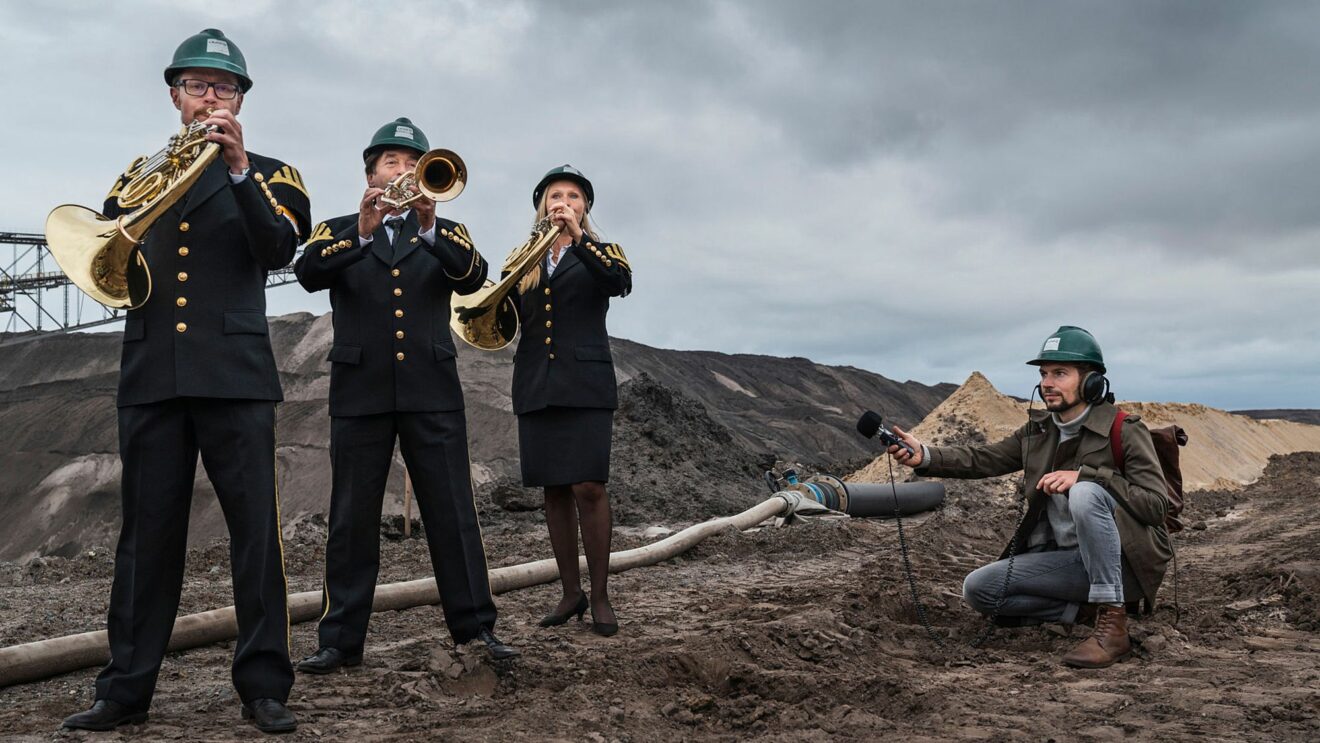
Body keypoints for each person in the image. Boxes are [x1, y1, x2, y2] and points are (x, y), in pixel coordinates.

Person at [62, 29, 310, 734]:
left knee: (255, 534)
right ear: (174, 96)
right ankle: (125, 689)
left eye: (223, 86)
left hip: (234, 374)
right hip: (152, 372)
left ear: (240, 99)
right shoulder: (136, 175)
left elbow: (279, 247)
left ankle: (264, 684)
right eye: (197, 85)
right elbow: (110, 262)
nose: (209, 95)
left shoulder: (273, 174)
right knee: (145, 538)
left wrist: (236, 172)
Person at [293, 117, 516, 673]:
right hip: (360, 390)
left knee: (453, 513)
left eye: (411, 164)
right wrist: (363, 233)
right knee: (351, 518)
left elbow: (473, 278)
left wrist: (431, 225)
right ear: (370, 174)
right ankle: (340, 641)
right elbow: (308, 272)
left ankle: (475, 629)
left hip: (431, 390)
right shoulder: (339, 228)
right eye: (391, 162)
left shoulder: (447, 231)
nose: (403, 171)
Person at [886, 326, 1173, 668]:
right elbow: (984, 458)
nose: (1047, 383)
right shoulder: (1039, 431)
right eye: (1043, 373)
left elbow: (1157, 506)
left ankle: (1112, 625)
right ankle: (1082, 611)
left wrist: (1087, 477)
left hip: (1124, 564)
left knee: (1085, 494)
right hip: (1071, 563)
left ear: (1092, 381)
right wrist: (928, 456)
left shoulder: (1124, 430)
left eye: (1060, 373)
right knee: (979, 589)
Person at [512, 165, 632, 636]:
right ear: (542, 205)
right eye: (554, 195)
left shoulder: (603, 252)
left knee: (589, 487)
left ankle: (600, 595)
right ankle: (570, 592)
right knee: (554, 489)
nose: (563, 201)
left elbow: (618, 282)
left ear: (585, 207)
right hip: (536, 382)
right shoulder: (523, 258)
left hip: (585, 383)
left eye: (573, 196)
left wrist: (579, 237)